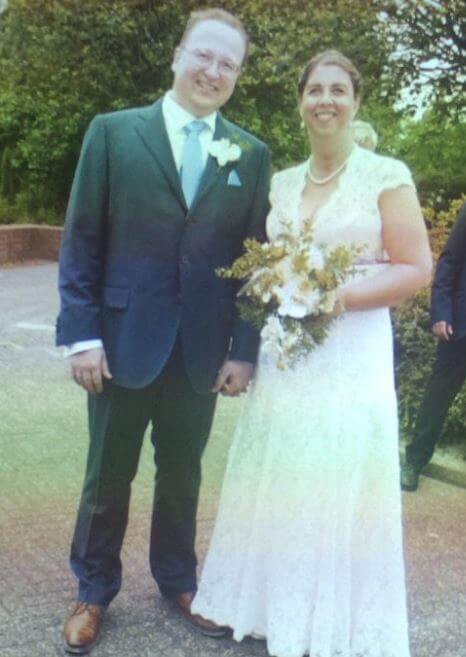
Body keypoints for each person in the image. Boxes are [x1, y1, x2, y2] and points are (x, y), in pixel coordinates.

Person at [191, 50, 432, 657]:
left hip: (351, 351)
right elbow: (267, 264)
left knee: (337, 473)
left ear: (355, 101)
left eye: (337, 90)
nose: (325, 100)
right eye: (314, 90)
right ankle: (278, 606)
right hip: (288, 356)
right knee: (287, 472)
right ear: (300, 102)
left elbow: (417, 268)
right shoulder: (283, 183)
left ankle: (335, 621)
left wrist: (337, 299)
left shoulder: (386, 174)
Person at [56, 8, 271, 654]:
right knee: (107, 474)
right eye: (203, 55)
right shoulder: (113, 133)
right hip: (121, 344)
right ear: (177, 55)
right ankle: (93, 589)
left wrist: (244, 348)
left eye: (227, 63)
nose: (212, 71)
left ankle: (179, 579)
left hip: (201, 350)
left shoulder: (251, 154)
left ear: (237, 75)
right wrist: (82, 335)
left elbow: (257, 263)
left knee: (183, 472)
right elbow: (81, 242)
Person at [401, 201, 466, 492]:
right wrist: (441, 312)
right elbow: (450, 260)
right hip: (461, 327)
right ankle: (414, 461)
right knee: (437, 398)